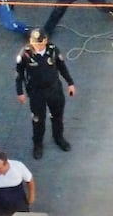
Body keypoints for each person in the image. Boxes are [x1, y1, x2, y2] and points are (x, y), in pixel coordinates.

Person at [15, 28, 76, 159]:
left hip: (54, 89)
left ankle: (58, 137)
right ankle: (38, 144)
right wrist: (20, 92)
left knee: (57, 116)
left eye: (40, 43)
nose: (37, 45)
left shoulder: (53, 50)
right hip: (37, 93)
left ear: (46, 41)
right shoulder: (25, 54)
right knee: (38, 120)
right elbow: (19, 75)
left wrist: (70, 83)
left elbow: (62, 67)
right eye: (35, 42)